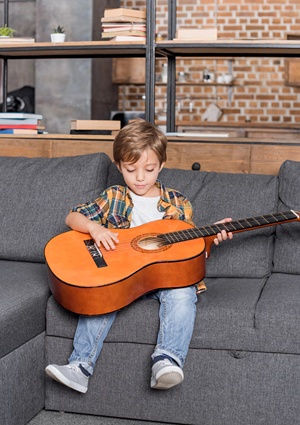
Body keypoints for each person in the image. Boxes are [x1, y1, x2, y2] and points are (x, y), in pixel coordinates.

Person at [45, 119, 233, 394]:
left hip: (164, 280)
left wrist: (210, 239)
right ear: (120, 166)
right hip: (122, 278)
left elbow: (190, 254)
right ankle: (80, 367)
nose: (141, 178)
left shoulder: (178, 203)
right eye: (131, 170)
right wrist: (94, 227)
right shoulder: (114, 196)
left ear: (162, 164)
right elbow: (72, 216)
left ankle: (166, 360)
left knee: (184, 292)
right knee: (99, 293)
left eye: (149, 169)